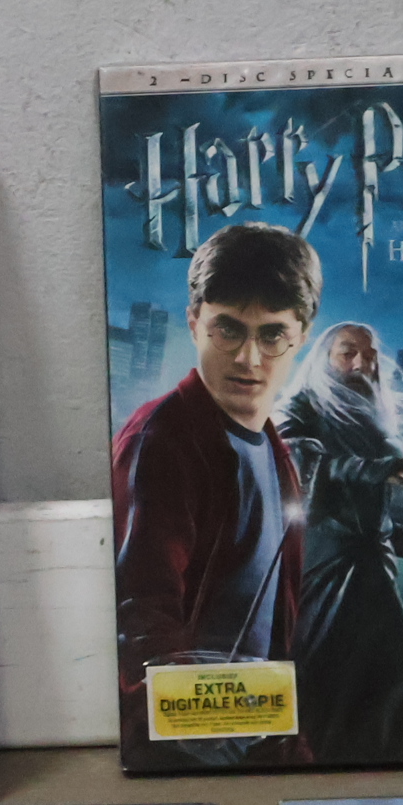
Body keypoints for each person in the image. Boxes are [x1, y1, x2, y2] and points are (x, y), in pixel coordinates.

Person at [109, 222, 317, 761]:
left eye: (272, 335)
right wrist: (202, 742)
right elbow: (140, 615)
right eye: (228, 329)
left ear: (301, 337)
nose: (249, 358)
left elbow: (278, 623)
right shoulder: (162, 442)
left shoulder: (277, 451)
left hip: (256, 739)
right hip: (187, 751)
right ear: (194, 322)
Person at [278, 322, 403, 765]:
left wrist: (398, 533)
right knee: (332, 673)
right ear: (324, 358)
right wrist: (378, 469)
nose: (360, 364)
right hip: (328, 565)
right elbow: (293, 461)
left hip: (372, 563)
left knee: (389, 675)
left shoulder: (370, 415)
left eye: (368, 355)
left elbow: (362, 500)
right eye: (347, 352)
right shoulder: (302, 405)